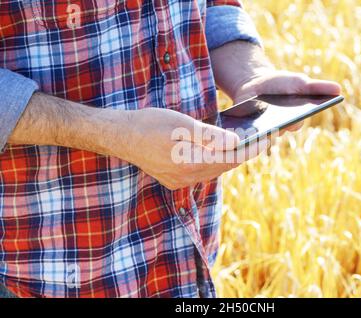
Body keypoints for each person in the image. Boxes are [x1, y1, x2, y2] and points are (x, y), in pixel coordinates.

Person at [0, 0, 340, 297]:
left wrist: (249, 76)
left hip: (184, 254)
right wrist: (112, 134)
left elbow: (207, 5)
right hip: (45, 274)